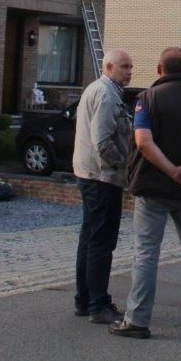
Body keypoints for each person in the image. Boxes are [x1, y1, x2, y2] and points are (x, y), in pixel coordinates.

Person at [109, 46, 181, 340]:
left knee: (147, 253)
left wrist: (172, 170)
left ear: (159, 70)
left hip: (154, 189)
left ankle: (138, 320)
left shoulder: (147, 99)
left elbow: (143, 142)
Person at [71, 48, 134, 324]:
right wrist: (124, 165)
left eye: (131, 66)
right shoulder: (107, 94)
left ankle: (84, 300)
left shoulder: (98, 90)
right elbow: (103, 141)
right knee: (101, 241)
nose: (129, 71)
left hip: (90, 175)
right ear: (108, 67)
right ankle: (98, 304)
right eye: (124, 67)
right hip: (101, 178)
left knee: (89, 238)